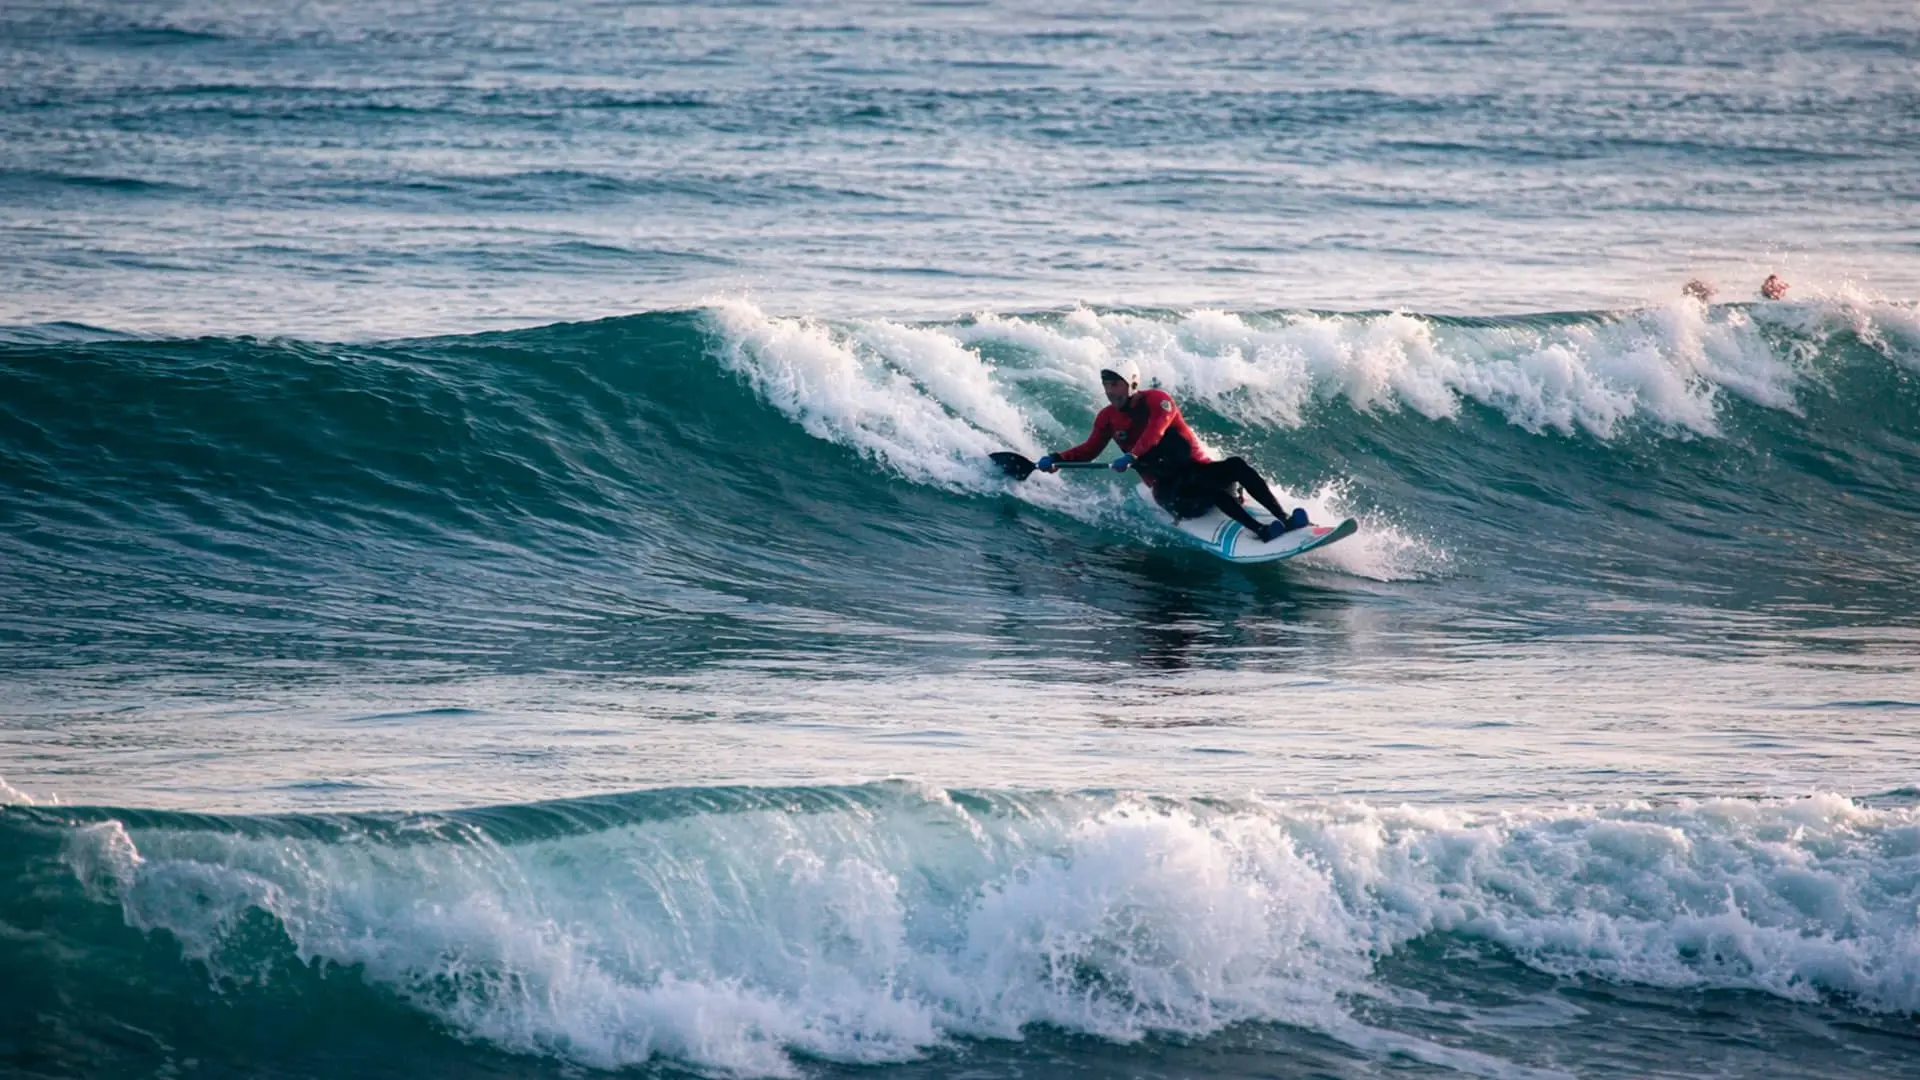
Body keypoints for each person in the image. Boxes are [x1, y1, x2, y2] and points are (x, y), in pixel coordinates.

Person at [1035, 364, 1308, 542]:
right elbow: (1089, 450)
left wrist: (1131, 457)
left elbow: (1154, 432)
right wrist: (1057, 458)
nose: (1109, 391)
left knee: (1235, 465)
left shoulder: (1159, 401)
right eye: (1106, 385)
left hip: (1197, 472)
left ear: (1131, 384)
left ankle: (1283, 518)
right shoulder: (1107, 418)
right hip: (1169, 491)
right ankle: (1261, 531)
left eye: (1114, 384)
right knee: (1208, 491)